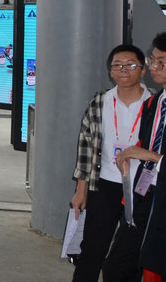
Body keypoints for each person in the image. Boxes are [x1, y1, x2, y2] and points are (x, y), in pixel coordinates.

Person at [70, 44, 150, 282]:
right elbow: (86, 147)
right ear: (111, 71)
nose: (123, 70)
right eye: (117, 65)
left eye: (130, 65)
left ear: (143, 70)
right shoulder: (100, 101)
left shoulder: (154, 103)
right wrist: (81, 190)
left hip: (142, 189)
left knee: (130, 256)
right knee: (92, 249)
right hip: (104, 184)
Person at [116, 34, 166, 282]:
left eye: (161, 62)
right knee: (119, 266)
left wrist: (153, 157)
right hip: (146, 192)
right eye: (152, 60)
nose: (154, 67)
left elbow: (151, 153)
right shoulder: (154, 103)